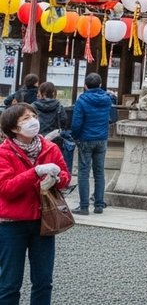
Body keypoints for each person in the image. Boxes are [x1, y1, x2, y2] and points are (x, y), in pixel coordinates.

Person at [0, 102, 70, 305]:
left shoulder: (50, 148)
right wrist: (35, 172)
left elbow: (65, 178)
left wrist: (57, 178)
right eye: (26, 118)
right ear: (14, 127)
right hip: (11, 224)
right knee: (10, 283)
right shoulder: (4, 152)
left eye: (34, 116)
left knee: (43, 281)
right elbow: (6, 188)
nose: (33, 121)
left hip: (44, 220)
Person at [70, 72, 111, 214]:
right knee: (99, 172)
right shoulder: (107, 99)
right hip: (102, 138)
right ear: (100, 85)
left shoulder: (82, 100)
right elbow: (110, 117)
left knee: (83, 173)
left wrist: (75, 136)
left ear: (85, 86)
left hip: (86, 138)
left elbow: (76, 123)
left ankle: (84, 206)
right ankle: (99, 204)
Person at [32, 82, 72, 175]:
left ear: (41, 92)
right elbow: (64, 121)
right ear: (54, 92)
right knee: (54, 163)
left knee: (38, 164)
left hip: (37, 138)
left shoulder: (33, 106)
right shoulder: (59, 106)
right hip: (55, 138)